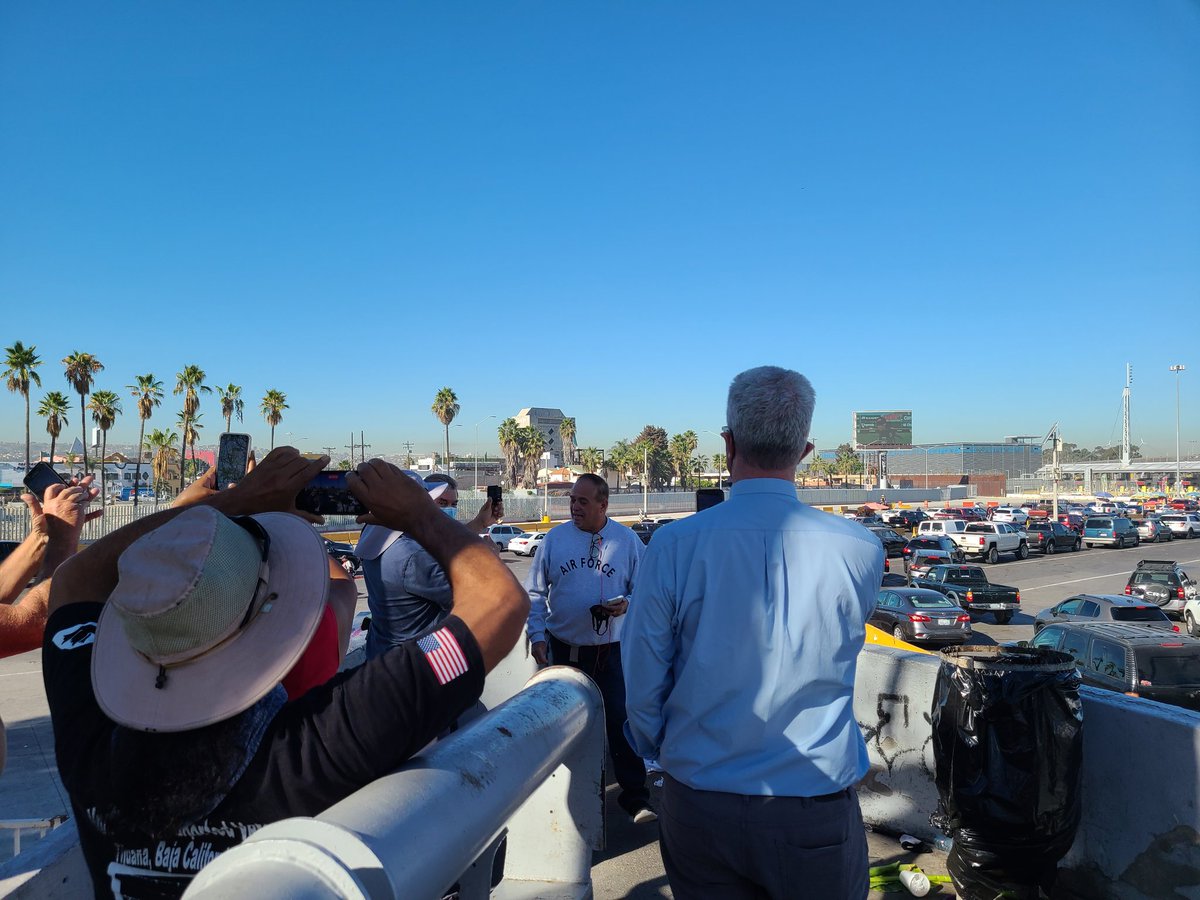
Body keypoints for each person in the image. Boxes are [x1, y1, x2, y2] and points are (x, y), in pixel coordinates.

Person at [42, 448, 528, 897]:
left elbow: (76, 577)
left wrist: (237, 499)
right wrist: (420, 515)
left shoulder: (86, 723)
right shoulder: (322, 739)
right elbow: (499, 603)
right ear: (270, 618)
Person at [622, 366, 884, 899]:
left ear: (727, 442)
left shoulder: (674, 546)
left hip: (700, 801)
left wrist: (664, 749)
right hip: (814, 808)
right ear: (805, 450)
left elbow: (643, 677)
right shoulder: (860, 549)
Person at [525, 472, 654, 824]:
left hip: (611, 653)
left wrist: (627, 603)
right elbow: (535, 594)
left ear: (603, 504)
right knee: (569, 729)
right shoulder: (554, 540)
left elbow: (646, 588)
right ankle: (576, 803)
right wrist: (537, 637)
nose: (574, 507)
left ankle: (635, 797)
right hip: (564, 651)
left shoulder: (626, 541)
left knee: (620, 723)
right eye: (572, 500)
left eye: (583, 501)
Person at [357, 473, 503, 659]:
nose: (448, 510)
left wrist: (480, 523)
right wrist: (490, 560)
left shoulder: (378, 536)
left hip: (382, 654)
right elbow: (480, 601)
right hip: (416, 663)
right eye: (440, 503)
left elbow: (440, 540)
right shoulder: (415, 557)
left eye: (454, 504)